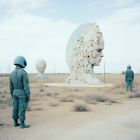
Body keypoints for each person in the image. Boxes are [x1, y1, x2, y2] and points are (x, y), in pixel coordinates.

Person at [10, 56, 30, 129]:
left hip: (15, 93)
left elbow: (11, 86)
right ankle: (22, 124)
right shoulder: (23, 73)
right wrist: (28, 96)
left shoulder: (12, 73)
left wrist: (12, 94)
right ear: (21, 62)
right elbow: (26, 87)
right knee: (22, 108)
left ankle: (15, 123)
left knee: (15, 108)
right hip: (22, 93)